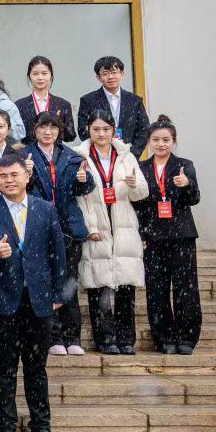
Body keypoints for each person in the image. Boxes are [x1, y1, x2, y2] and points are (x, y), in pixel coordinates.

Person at [0, 157, 68, 432]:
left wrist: (58, 294)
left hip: (39, 301)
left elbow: (58, 253)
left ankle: (41, 426)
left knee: (36, 368)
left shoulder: (45, 209)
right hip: (4, 301)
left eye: (14, 174)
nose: (9, 180)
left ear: (27, 176)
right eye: (3, 176)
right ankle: (5, 427)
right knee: (5, 367)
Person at [74, 109, 149, 354]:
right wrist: (89, 227)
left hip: (123, 226)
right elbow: (79, 199)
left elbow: (142, 193)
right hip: (97, 226)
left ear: (113, 130)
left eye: (106, 129)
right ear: (88, 130)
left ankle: (126, 340)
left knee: (126, 287)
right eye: (96, 129)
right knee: (99, 287)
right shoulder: (80, 156)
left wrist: (134, 185)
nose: (101, 134)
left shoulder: (127, 156)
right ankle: (105, 340)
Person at [26, 113, 94, 355]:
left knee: (69, 282)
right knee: (46, 281)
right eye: (43, 127)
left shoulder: (72, 156)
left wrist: (83, 179)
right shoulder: (25, 156)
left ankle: (72, 336)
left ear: (59, 131)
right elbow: (17, 187)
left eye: (53, 128)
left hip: (69, 226)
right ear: (35, 130)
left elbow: (86, 187)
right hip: (40, 225)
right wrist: (27, 173)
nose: (48, 132)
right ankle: (53, 336)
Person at [134, 115, 202, 354]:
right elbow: (139, 206)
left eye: (166, 140)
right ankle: (164, 338)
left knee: (186, 288)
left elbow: (194, 199)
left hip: (181, 235)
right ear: (149, 141)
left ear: (174, 141)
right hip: (153, 237)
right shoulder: (141, 168)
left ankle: (187, 338)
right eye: (156, 140)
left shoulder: (185, 165)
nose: (161, 144)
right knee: (157, 289)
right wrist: (141, 234)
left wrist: (187, 185)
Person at [77, 56, 151, 158]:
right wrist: (100, 152)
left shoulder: (135, 101)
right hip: (100, 157)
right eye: (105, 74)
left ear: (122, 74)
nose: (111, 77)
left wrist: (131, 154)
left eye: (114, 72)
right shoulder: (88, 100)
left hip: (128, 155)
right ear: (98, 78)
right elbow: (83, 130)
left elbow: (144, 130)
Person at [16, 57, 74, 144]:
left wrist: (58, 123)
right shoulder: (19, 105)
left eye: (44, 73)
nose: (40, 77)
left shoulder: (63, 104)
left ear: (51, 75)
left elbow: (70, 136)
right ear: (29, 76)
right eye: (35, 74)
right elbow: (16, 135)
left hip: (55, 151)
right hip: (28, 151)